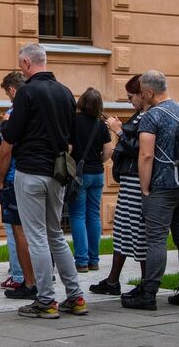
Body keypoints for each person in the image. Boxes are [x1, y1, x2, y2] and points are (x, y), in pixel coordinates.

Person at [2, 43, 87, 319]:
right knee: (56, 236)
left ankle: (46, 300)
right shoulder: (64, 92)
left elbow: (11, 135)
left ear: (27, 63)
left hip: (30, 172)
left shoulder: (27, 92)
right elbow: (74, 136)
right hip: (57, 173)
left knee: (36, 236)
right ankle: (75, 297)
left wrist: (6, 124)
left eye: (21, 65)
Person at [122, 70, 179, 311]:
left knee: (156, 239)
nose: (141, 95)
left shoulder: (151, 116)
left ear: (149, 92)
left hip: (163, 186)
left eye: (142, 91)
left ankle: (148, 294)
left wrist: (145, 188)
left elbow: (146, 155)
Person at [90, 75, 148, 297]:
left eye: (131, 96)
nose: (129, 100)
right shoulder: (139, 115)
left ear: (143, 94)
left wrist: (119, 130)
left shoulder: (150, 116)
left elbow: (140, 148)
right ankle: (113, 280)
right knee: (122, 230)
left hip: (137, 180)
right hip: (129, 179)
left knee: (138, 231)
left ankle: (146, 283)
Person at [0, 72, 36, 299]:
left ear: (11, 91)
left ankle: (21, 276)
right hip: (37, 176)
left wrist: (0, 180)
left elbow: (1, 147)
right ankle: (40, 274)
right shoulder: (38, 112)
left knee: (15, 230)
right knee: (41, 231)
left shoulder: (12, 114)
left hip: (13, 178)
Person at [68, 88, 114, 273]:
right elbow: (109, 150)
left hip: (79, 175)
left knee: (78, 215)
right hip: (97, 174)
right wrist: (98, 161)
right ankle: (93, 260)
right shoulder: (100, 124)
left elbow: (69, 148)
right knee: (93, 215)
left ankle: (81, 261)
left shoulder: (73, 122)